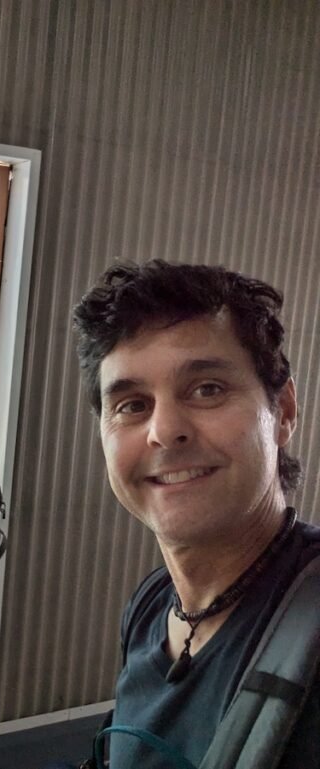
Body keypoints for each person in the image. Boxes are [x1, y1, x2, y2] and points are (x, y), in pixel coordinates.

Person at [70, 260, 320, 768]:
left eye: (207, 389)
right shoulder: (152, 606)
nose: (165, 430)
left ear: (284, 411)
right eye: (132, 405)